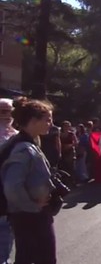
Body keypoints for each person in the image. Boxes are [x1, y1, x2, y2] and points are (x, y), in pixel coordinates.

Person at [1, 97, 58, 263]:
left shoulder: (25, 142)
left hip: (26, 216)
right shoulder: (24, 149)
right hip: (30, 216)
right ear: (33, 120)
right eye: (47, 120)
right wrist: (32, 206)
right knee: (43, 259)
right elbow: (12, 186)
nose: (50, 124)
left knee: (26, 257)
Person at [0, 98, 18, 264]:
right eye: (2, 111)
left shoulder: (17, 135)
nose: (6, 115)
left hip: (12, 197)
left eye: (9, 111)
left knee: (8, 237)